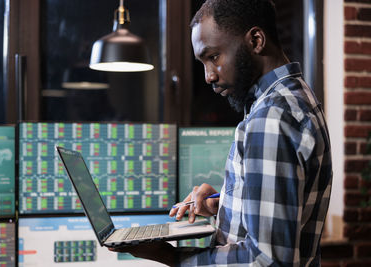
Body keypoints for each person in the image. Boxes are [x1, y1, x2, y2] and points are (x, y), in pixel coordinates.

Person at [109, 0, 333, 266]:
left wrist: (169, 255)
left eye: (213, 56)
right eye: (202, 62)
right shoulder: (296, 97)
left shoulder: (272, 116)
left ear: (256, 40)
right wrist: (225, 203)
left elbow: (268, 260)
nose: (208, 76)